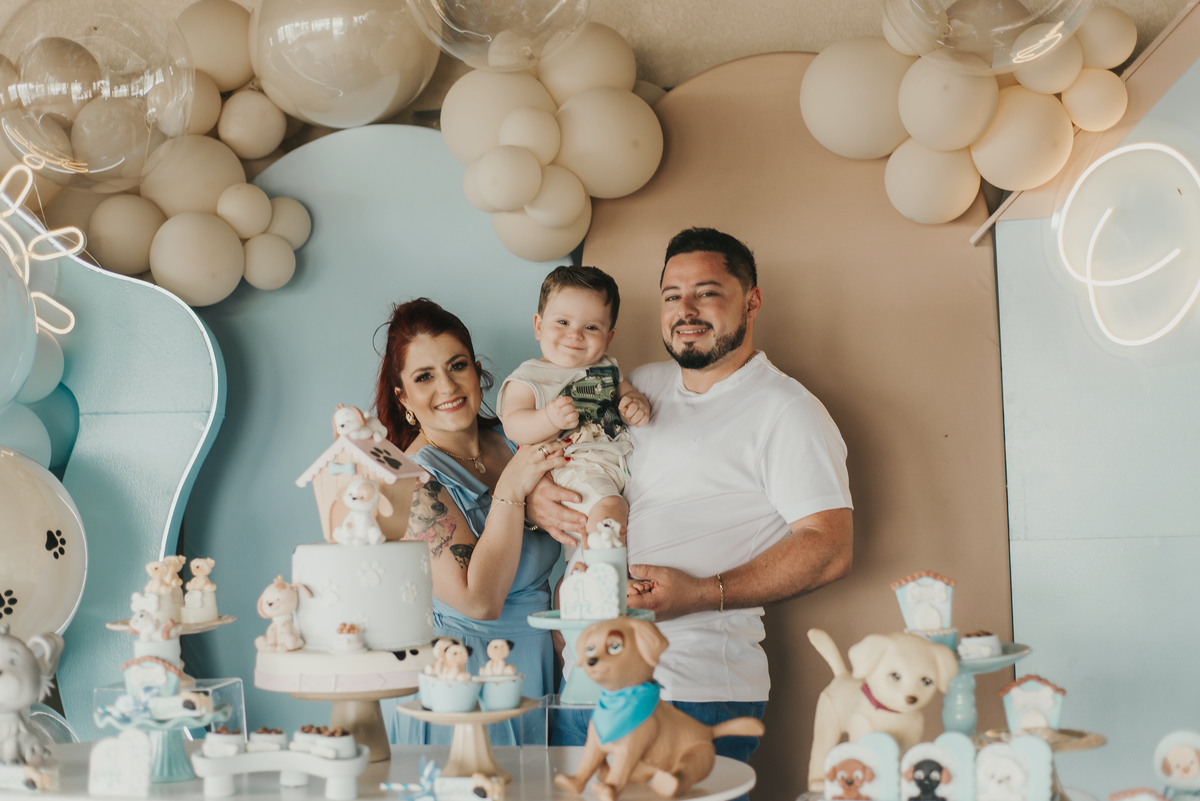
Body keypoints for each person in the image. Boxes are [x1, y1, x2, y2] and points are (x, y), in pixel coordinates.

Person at [532, 228, 855, 764]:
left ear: (750, 300)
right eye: (671, 295)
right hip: (587, 685)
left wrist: (701, 593)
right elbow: (578, 465)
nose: (686, 309)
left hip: (690, 690)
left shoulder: (786, 411)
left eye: (706, 292)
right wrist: (537, 497)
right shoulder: (638, 384)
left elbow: (831, 548)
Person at [377, 298, 566, 746]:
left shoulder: (515, 436)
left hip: (541, 663)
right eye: (424, 376)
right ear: (402, 395)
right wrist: (512, 494)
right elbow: (478, 601)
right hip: (465, 676)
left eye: (457, 365)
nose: (447, 386)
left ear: (478, 370)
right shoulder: (410, 479)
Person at [498, 266, 650, 543]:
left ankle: (586, 573)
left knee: (595, 534)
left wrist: (634, 404)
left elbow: (628, 395)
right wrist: (548, 419)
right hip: (571, 466)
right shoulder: (528, 377)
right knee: (609, 513)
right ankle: (609, 579)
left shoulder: (608, 368)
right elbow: (513, 425)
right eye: (563, 323)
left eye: (591, 327)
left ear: (608, 337)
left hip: (614, 466)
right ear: (539, 325)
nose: (575, 335)